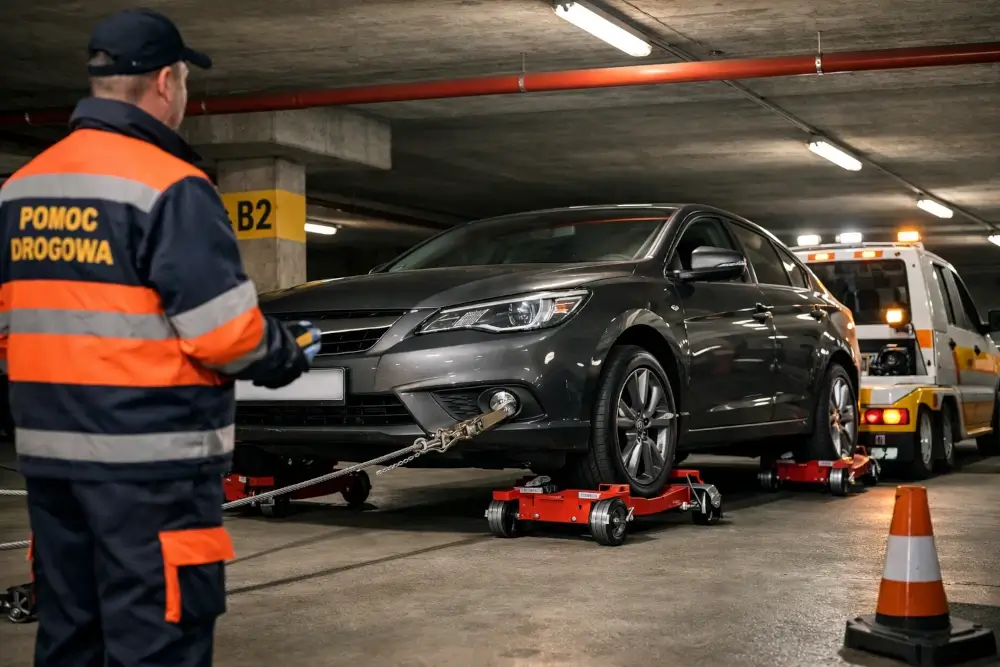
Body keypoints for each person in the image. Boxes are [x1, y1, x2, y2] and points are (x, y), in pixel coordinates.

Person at [0, 8, 321, 666]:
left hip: (51, 467)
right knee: (158, 642)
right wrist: (290, 351)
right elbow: (225, 336)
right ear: (166, 82)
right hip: (150, 472)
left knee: (71, 637)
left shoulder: (21, 189)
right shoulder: (170, 186)